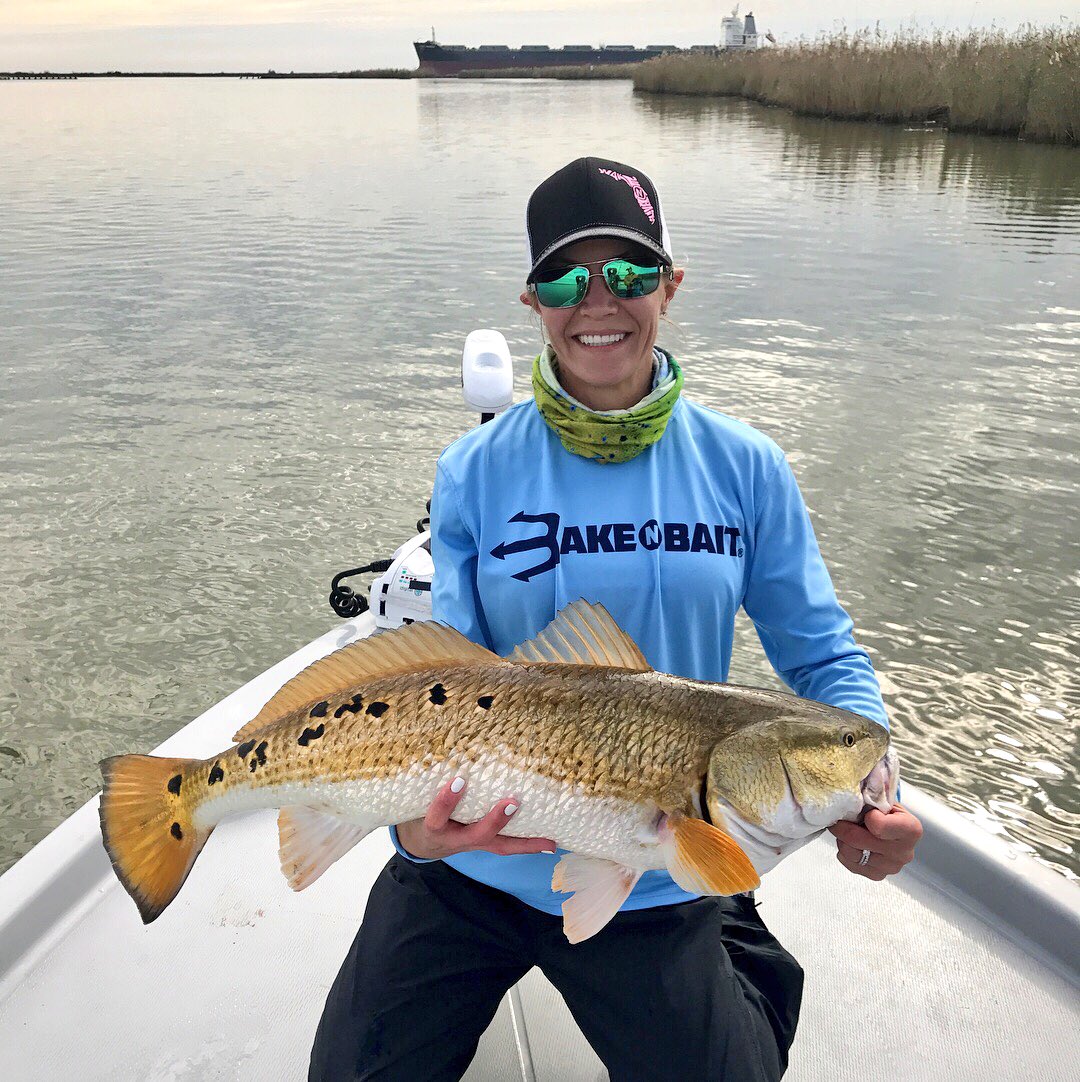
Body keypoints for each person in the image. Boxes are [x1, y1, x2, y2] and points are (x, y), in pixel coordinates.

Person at [309, 156, 923, 1082]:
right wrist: (415, 834)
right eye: (564, 279)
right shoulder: (474, 471)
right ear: (533, 301)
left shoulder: (745, 466)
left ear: (670, 286)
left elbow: (822, 656)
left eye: (630, 273)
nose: (598, 301)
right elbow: (449, 679)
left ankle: (735, 936)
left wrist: (878, 792)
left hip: (659, 866)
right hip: (473, 868)